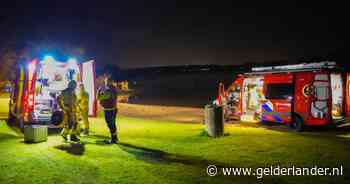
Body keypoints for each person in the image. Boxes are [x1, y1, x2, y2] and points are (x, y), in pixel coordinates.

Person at [97, 77, 118, 144]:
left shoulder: (109, 90)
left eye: (106, 81)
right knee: (112, 124)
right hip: (112, 109)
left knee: (110, 124)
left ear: (110, 82)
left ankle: (113, 139)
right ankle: (114, 137)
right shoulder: (112, 89)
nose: (105, 83)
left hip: (109, 110)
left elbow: (99, 97)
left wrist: (99, 90)